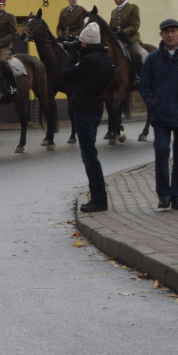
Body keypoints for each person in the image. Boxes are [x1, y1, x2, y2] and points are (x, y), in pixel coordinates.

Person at [63, 22, 115, 212]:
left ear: (86, 43)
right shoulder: (106, 58)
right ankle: (98, 196)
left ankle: (99, 199)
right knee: (91, 154)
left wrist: (71, 54)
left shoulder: (87, 61)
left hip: (83, 110)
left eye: (82, 43)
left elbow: (67, 74)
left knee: (90, 157)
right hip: (96, 108)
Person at [138, 18, 178, 210]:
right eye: (167, 32)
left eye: (173, 31)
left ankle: (177, 195)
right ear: (161, 35)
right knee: (162, 152)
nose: (170, 35)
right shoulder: (153, 58)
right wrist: (153, 102)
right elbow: (144, 85)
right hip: (161, 116)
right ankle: (163, 194)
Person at [110, 0, 145, 73]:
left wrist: (123, 33)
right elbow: (111, 26)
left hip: (131, 38)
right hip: (117, 38)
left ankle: (139, 74)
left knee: (137, 54)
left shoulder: (133, 8)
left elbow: (135, 25)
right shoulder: (114, 11)